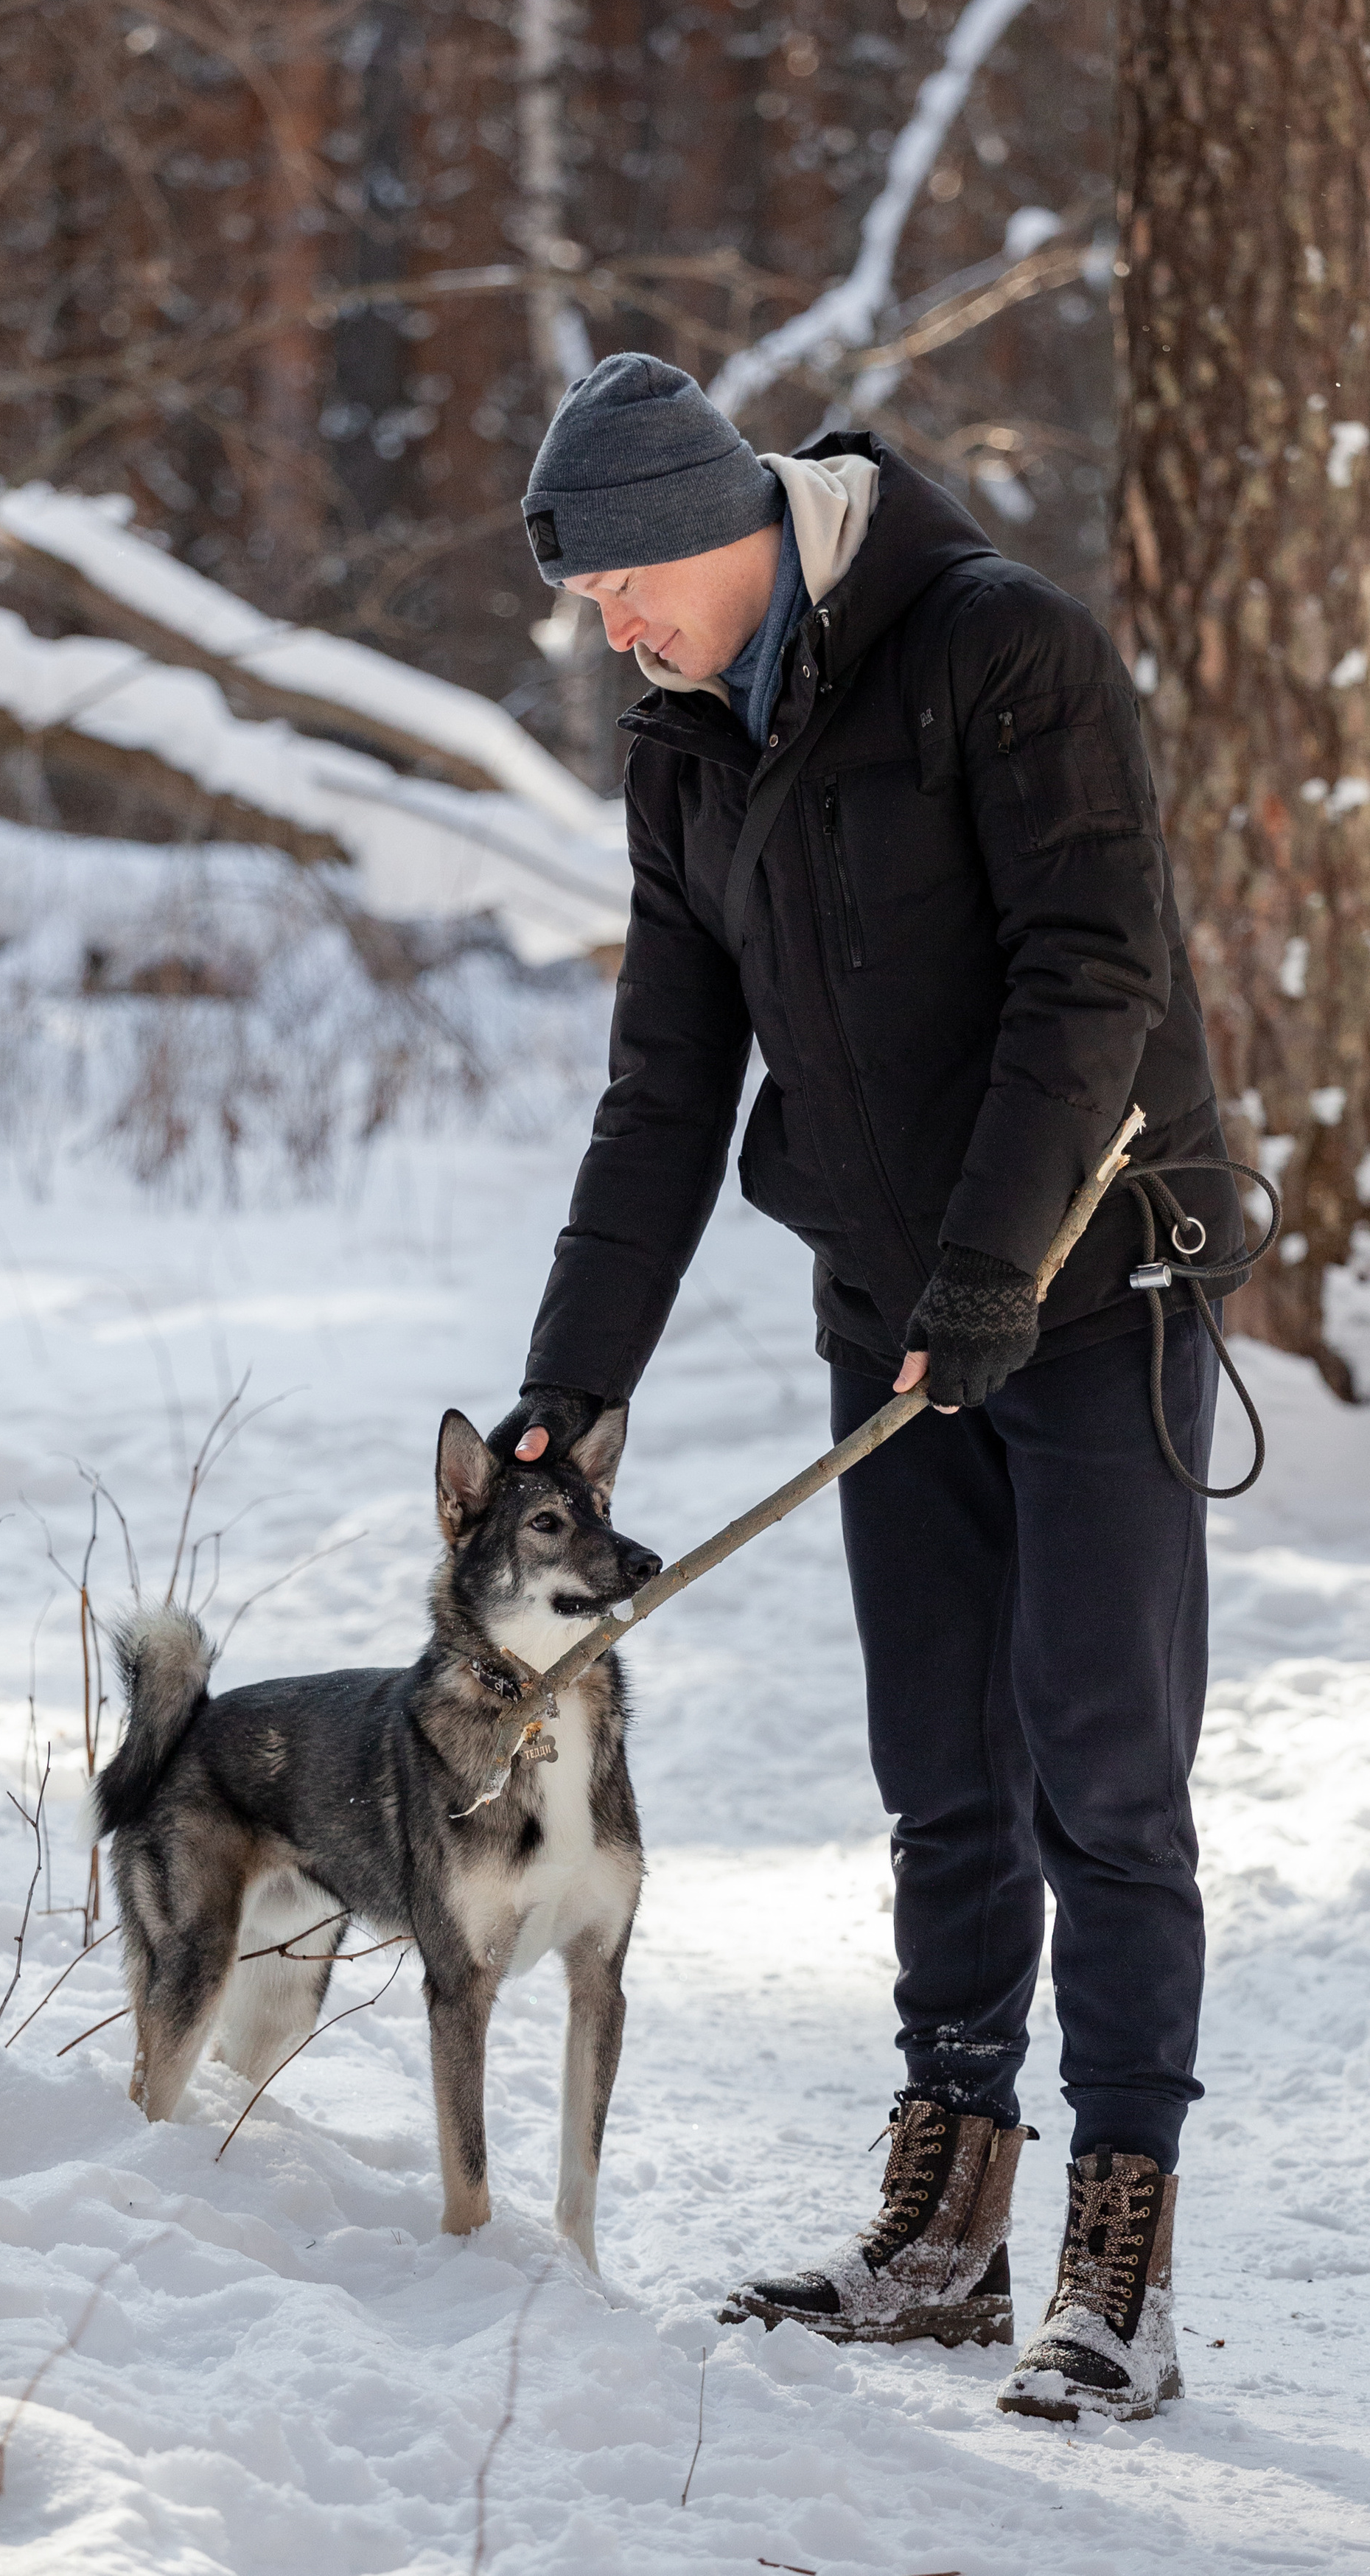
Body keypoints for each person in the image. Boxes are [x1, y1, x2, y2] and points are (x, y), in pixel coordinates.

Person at [491, 352, 1243, 2424]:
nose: (613, 631)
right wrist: (565, 1397)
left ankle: (1119, 2249)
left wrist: (1002, 1266)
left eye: (625, 589)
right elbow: (665, 1096)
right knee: (941, 1773)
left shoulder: (1003, 652)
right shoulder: (687, 757)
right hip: (891, 1316)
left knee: (1104, 1767)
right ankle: (942, 2220)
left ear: (714, 530)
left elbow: (1095, 976)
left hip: (1099, 1293)